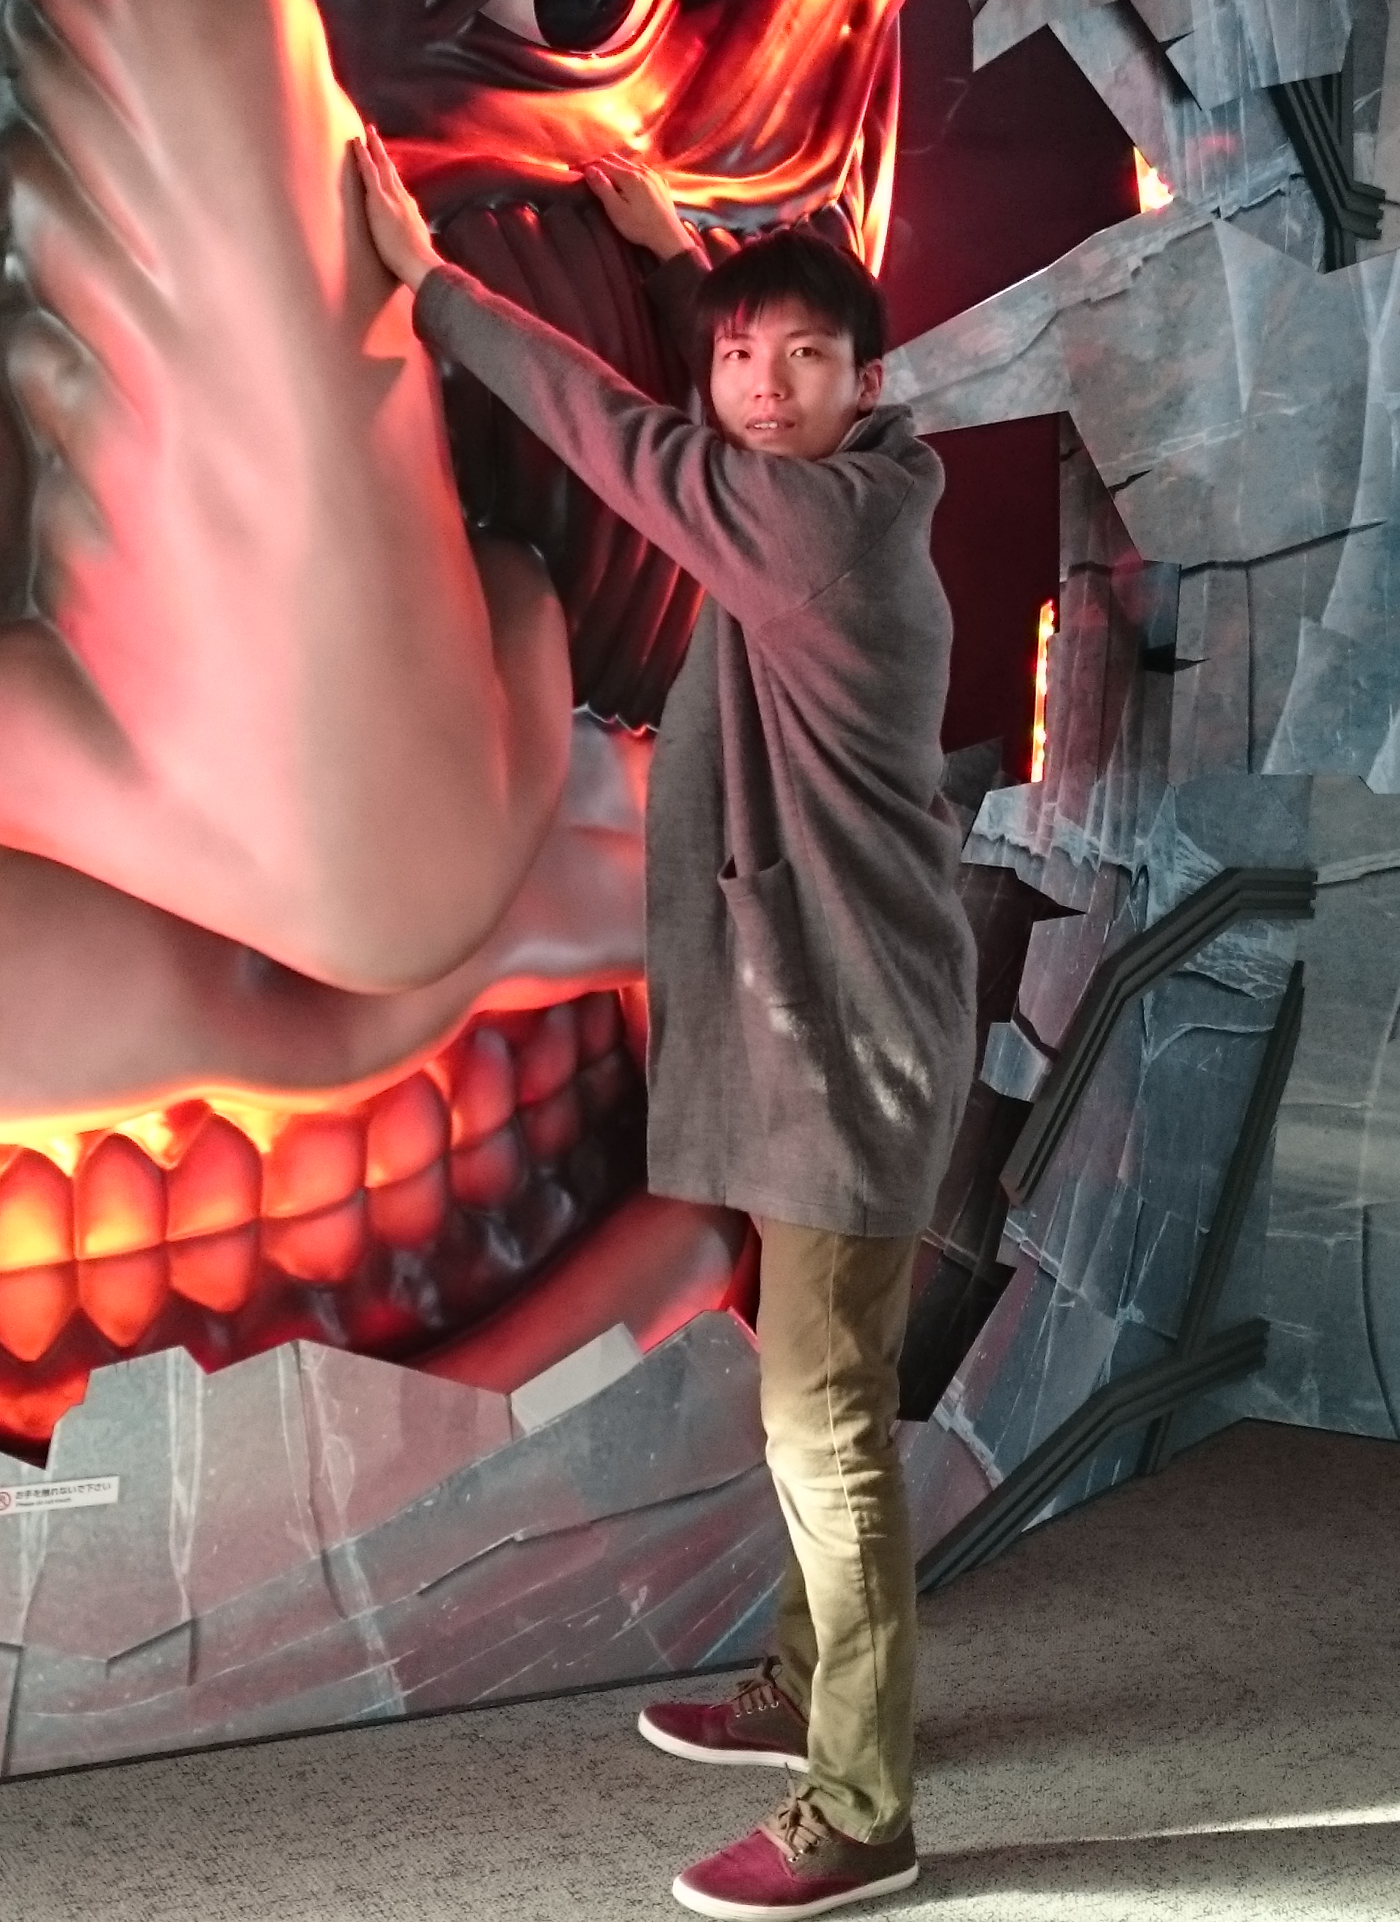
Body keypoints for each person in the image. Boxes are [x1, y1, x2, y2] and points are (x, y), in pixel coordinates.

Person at [353, 135, 974, 1921]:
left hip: (847, 1033)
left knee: (826, 1421)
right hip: (829, 1011)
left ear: (870, 384)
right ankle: (805, 1686)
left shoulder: (811, 530)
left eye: (803, 361)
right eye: (738, 357)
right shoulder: (848, 485)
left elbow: (619, 439)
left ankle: (862, 1808)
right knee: (821, 1373)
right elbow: (733, 398)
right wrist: (686, 251)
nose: (762, 388)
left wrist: (431, 287)